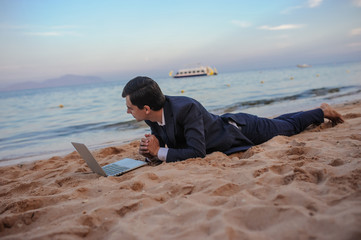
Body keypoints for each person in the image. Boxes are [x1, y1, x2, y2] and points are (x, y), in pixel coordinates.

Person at [122, 76, 344, 163]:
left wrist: (158, 152)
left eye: (130, 108)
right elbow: (166, 147)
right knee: (281, 123)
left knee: (290, 128)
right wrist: (151, 150)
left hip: (241, 130)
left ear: (147, 108)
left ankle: (322, 111)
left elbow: (196, 152)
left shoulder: (186, 108)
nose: (128, 112)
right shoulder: (152, 117)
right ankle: (316, 111)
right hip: (230, 127)